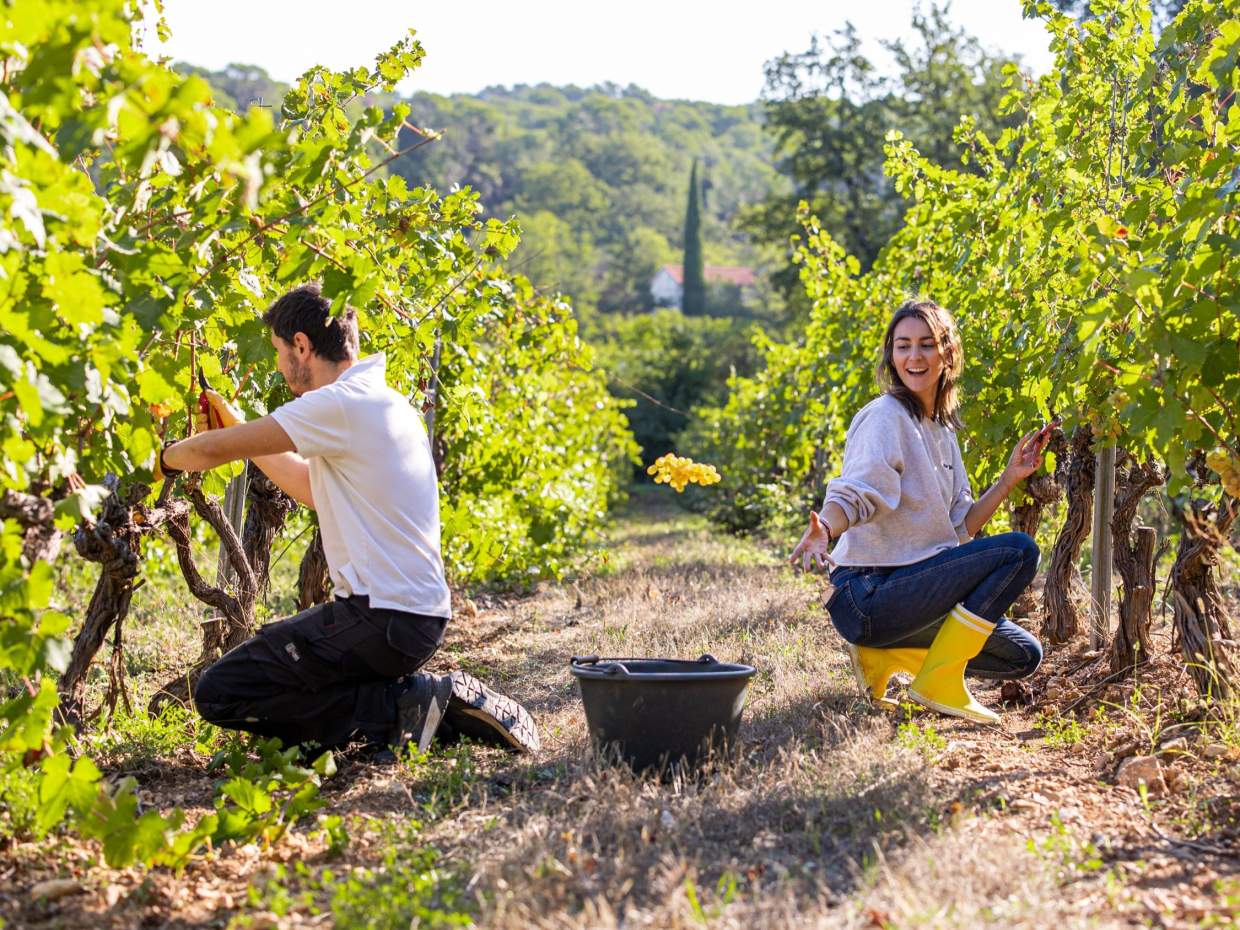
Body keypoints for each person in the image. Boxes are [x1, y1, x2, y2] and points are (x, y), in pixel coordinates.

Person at [156, 283, 539, 757]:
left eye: (279, 351)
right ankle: (408, 712)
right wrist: (237, 423)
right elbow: (308, 489)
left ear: (302, 345)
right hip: (414, 620)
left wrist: (160, 462)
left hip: (383, 619)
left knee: (222, 691)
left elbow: (213, 451)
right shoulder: (382, 401)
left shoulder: (337, 405)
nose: (278, 365)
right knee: (270, 674)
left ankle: (408, 705)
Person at [789, 298, 1047, 724]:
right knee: (1020, 550)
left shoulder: (942, 430)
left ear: (947, 352)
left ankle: (882, 654)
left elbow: (959, 526)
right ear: (891, 354)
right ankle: (936, 681)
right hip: (867, 593)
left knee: (1021, 655)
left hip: (907, 595)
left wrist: (1008, 480)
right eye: (903, 345)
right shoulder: (885, 417)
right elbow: (859, 491)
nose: (914, 356)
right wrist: (827, 528)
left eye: (926, 344)